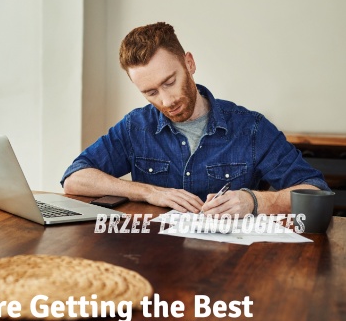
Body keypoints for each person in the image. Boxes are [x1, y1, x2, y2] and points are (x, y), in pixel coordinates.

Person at [61, 22, 329, 216]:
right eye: (150, 92)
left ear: (189, 63)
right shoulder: (136, 127)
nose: (166, 101)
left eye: (170, 82)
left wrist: (254, 201)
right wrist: (148, 192)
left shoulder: (251, 128)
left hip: (231, 269)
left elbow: (316, 192)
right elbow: (74, 177)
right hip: (155, 260)